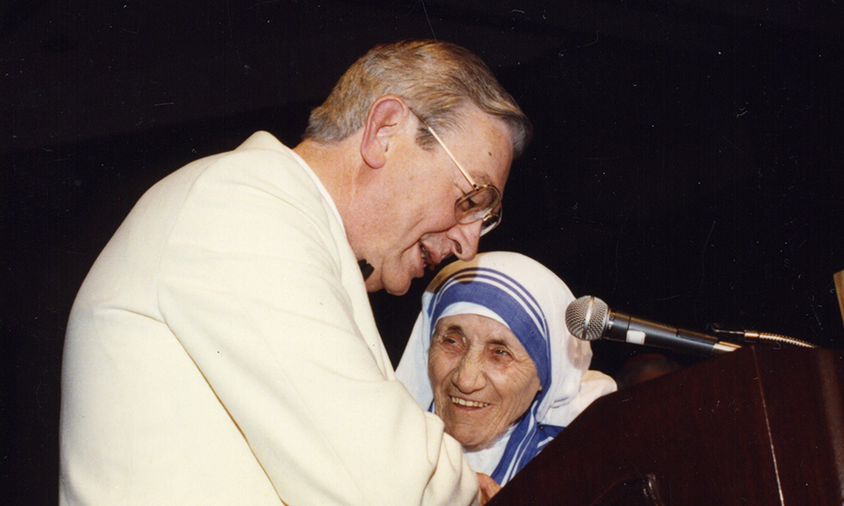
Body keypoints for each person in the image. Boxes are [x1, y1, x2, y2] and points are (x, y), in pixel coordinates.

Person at [59, 40, 531, 506]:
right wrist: (468, 492)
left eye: (485, 218)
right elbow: (380, 487)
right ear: (385, 131)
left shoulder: (286, 223)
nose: (469, 245)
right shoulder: (241, 204)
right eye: (472, 198)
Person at [396, 251, 618, 485]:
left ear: (547, 376)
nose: (466, 380)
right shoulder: (382, 441)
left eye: (500, 353)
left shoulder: (580, 467)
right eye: (452, 342)